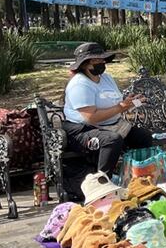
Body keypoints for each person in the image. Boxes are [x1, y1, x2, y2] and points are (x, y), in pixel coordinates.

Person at [61, 43, 153, 200]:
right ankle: (102, 187)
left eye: (102, 59)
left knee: (143, 137)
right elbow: (91, 117)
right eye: (97, 60)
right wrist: (121, 107)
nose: (102, 62)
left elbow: (116, 103)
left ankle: (138, 180)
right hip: (83, 130)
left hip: (113, 125)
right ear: (85, 64)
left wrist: (131, 103)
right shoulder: (79, 84)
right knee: (111, 140)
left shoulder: (107, 78)